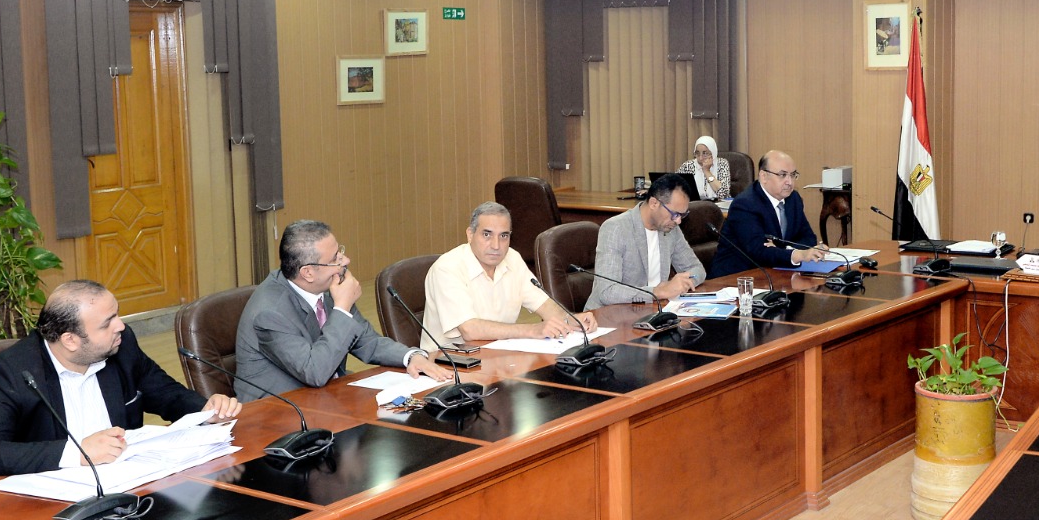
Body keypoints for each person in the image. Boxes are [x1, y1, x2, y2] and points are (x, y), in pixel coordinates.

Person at [0, 279, 241, 478]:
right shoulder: (12, 371)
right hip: (54, 502)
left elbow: (165, 393)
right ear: (70, 340)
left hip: (128, 485)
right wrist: (77, 453)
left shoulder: (121, 346)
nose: (121, 326)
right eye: (108, 323)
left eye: (116, 314)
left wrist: (206, 411)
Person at [234, 220, 449, 402]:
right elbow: (314, 372)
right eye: (335, 259)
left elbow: (367, 341)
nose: (345, 261)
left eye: (340, 252)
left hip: (326, 397)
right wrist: (342, 308)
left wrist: (411, 357)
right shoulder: (270, 313)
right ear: (308, 273)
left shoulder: (327, 286)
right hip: (279, 412)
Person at [422, 202, 597, 350]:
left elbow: (544, 305)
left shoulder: (512, 258)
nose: (496, 245)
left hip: (498, 355)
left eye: (503, 236)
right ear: (470, 234)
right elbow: (469, 330)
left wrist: (570, 319)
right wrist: (533, 330)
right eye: (487, 234)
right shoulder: (447, 268)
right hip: (449, 365)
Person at [585, 173, 705, 310]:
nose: (678, 221)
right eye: (675, 214)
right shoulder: (616, 228)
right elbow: (607, 291)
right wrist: (658, 292)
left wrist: (682, 283)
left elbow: (697, 269)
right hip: (609, 315)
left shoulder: (671, 229)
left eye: (682, 215)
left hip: (652, 311)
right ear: (654, 203)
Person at [710, 150, 828, 279]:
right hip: (736, 279)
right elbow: (758, 252)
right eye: (782, 175)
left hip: (776, 273)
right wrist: (798, 254)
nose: (789, 182)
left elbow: (808, 238)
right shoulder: (745, 204)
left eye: (793, 175)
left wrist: (784, 249)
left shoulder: (793, 199)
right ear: (764, 176)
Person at [676, 135, 730, 200]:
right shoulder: (688, 165)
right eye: (697, 153)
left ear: (713, 153)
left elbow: (723, 194)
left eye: (705, 153)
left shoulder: (722, 164)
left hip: (718, 204)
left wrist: (707, 171)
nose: (700, 158)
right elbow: (674, 188)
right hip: (695, 204)